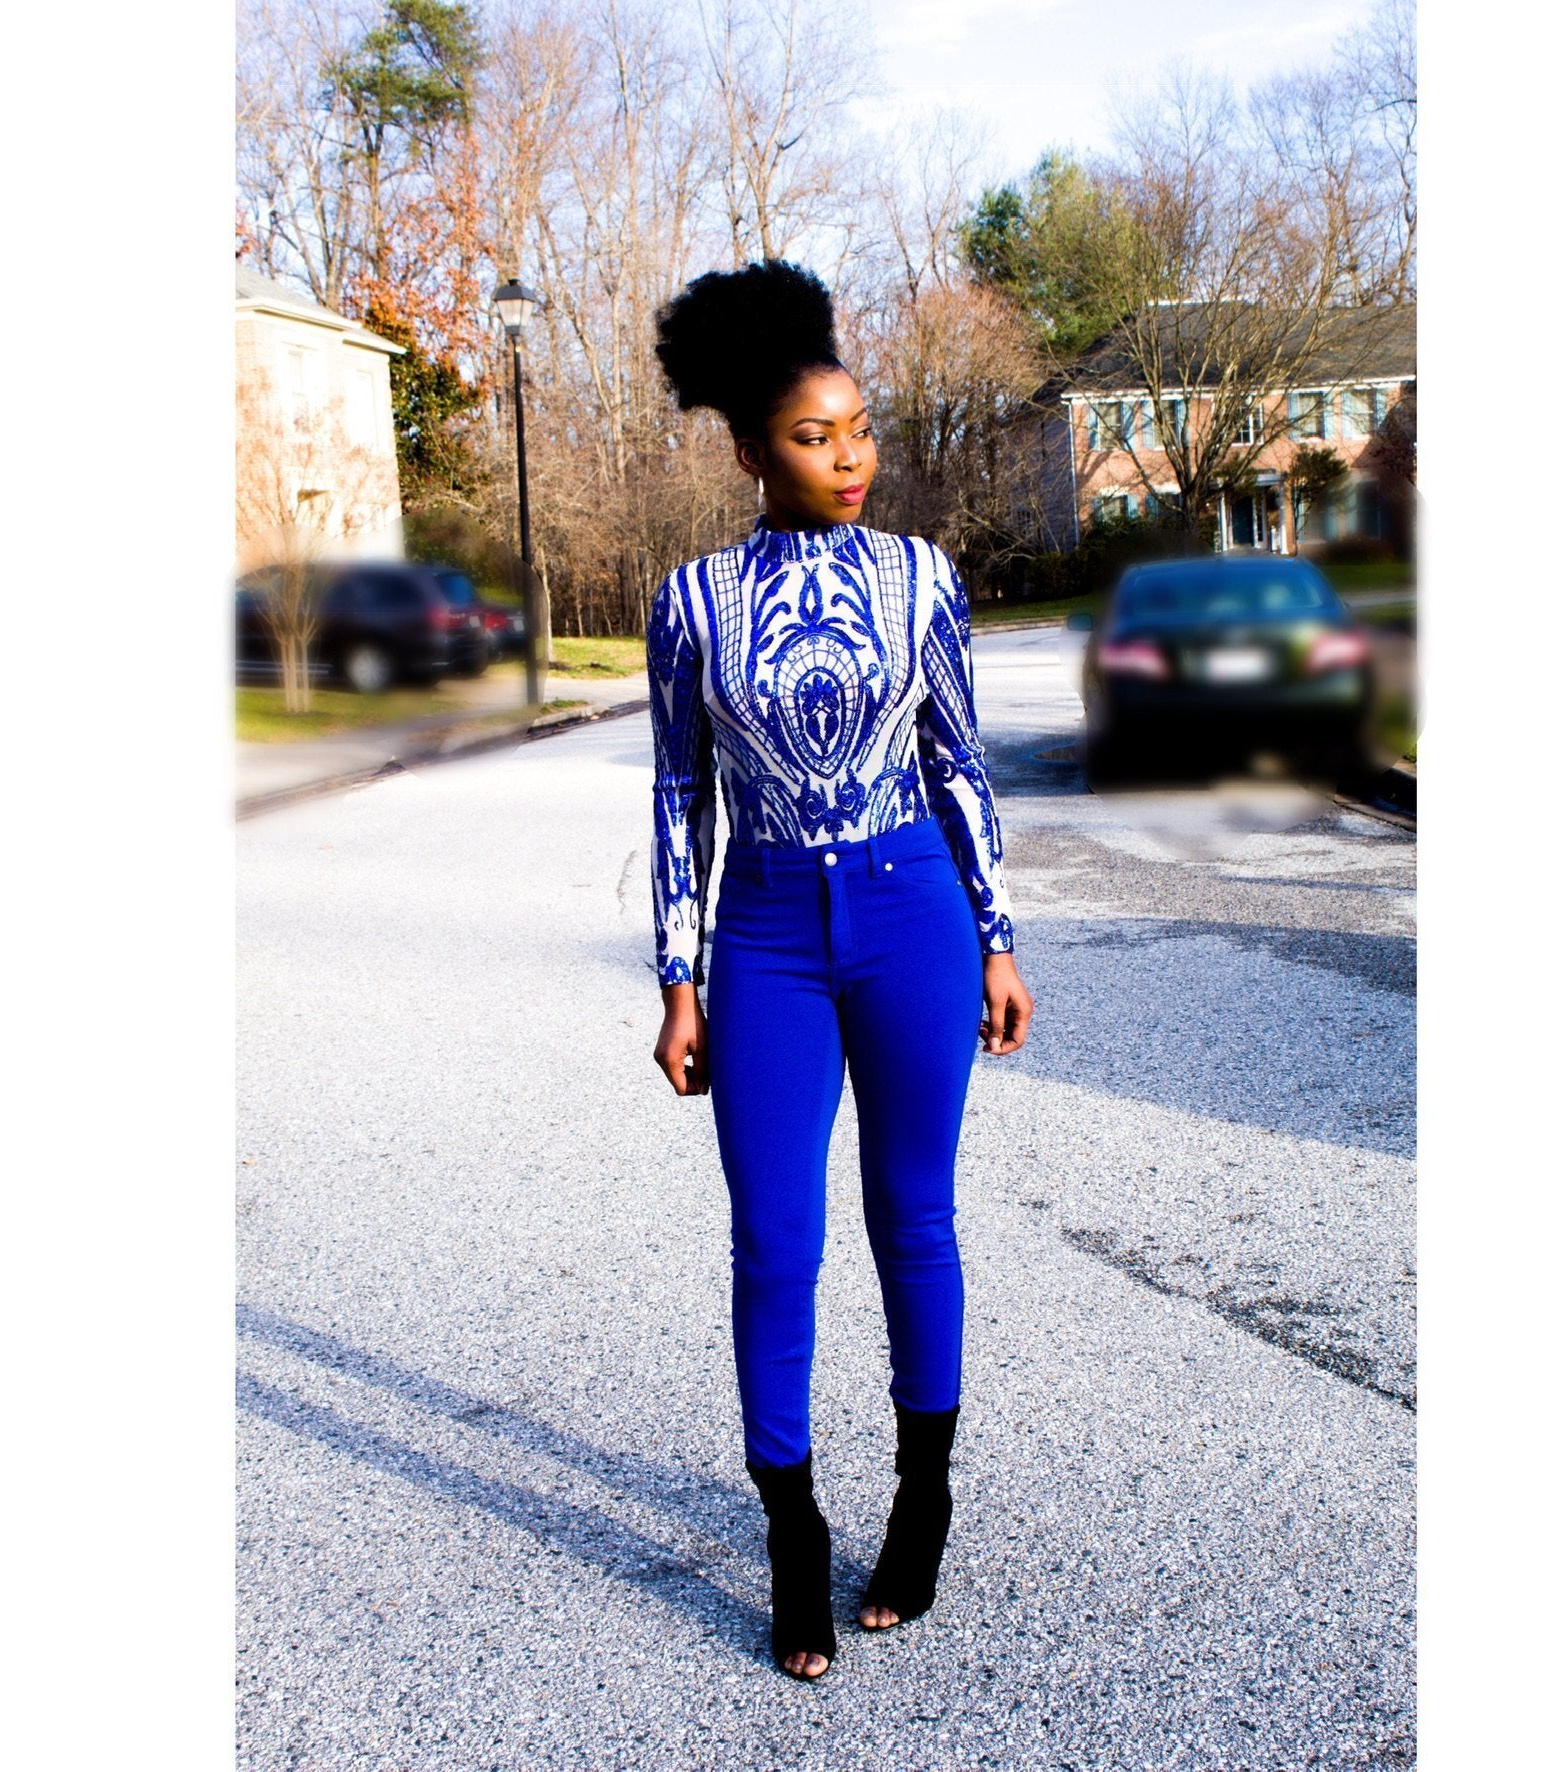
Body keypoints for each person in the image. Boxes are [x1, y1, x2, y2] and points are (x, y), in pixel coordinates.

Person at [644, 259, 1034, 1680]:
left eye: (860, 429)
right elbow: (681, 796)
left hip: (911, 910)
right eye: (816, 436)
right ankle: (794, 1534)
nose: (852, 455)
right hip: (763, 936)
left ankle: (921, 1500)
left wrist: (996, 932)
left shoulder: (924, 576)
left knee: (913, 1216)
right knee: (773, 1241)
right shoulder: (689, 602)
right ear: (752, 450)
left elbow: (961, 761)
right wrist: (678, 977)